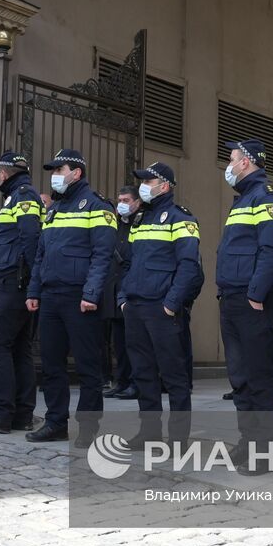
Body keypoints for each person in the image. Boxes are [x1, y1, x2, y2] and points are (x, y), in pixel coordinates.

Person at [25, 148, 116, 443]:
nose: (54, 176)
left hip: (81, 298)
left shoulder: (97, 206)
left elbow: (103, 256)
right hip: (51, 296)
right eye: (53, 171)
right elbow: (41, 254)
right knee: (51, 364)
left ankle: (89, 428)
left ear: (76, 172)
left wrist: (91, 293)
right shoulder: (53, 209)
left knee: (88, 367)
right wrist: (34, 290)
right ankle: (55, 422)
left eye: (59, 170)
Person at [216, 139, 273, 468]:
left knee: (259, 377)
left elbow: (272, 251)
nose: (228, 166)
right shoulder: (243, 199)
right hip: (232, 297)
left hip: (251, 300)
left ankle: (266, 451)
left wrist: (257, 294)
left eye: (232, 159)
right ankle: (248, 440)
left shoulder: (268, 198)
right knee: (239, 376)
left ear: (246, 162)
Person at [117, 161, 201, 443]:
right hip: (136, 308)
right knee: (142, 373)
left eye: (148, 182)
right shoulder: (140, 219)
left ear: (164, 186)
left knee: (174, 376)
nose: (143, 186)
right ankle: (149, 433)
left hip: (162, 309)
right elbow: (127, 263)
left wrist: (171, 304)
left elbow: (189, 267)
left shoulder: (182, 218)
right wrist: (123, 299)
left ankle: (178, 439)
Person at [0, 152, 44, 434]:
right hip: (17, 281)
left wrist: (29, 281)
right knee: (18, 347)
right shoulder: (19, 195)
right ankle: (22, 413)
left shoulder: (23, 196)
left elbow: (30, 240)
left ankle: (3, 411)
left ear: (5, 172)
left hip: (15, 282)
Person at [104, 185, 141, 400]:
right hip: (115, 289)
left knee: (134, 342)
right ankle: (122, 381)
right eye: (120, 200)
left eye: (126, 200)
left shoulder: (142, 223)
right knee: (118, 341)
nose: (122, 204)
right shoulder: (116, 225)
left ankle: (137, 383)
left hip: (133, 290)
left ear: (137, 202)